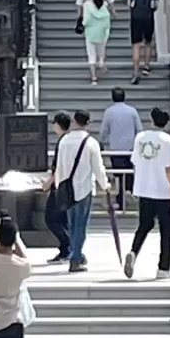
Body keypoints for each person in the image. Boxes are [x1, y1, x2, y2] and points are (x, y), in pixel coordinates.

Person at [124, 107, 170, 279]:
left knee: (144, 225)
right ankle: (163, 268)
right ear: (166, 123)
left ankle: (134, 251)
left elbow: (135, 162)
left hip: (144, 190)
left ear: (151, 120)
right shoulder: (167, 140)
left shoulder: (140, 138)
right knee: (166, 231)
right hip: (163, 192)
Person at [53, 108, 110, 273]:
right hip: (84, 188)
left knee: (71, 224)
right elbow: (98, 168)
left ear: (73, 121)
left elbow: (59, 166)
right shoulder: (91, 143)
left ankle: (76, 253)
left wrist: (59, 185)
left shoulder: (64, 141)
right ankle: (76, 257)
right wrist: (104, 185)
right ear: (88, 123)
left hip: (66, 188)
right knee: (80, 225)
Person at [99, 88, 142, 207]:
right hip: (130, 148)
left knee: (118, 175)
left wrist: (101, 141)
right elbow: (139, 129)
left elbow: (104, 131)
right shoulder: (132, 111)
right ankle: (131, 193)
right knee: (129, 172)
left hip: (115, 148)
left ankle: (121, 198)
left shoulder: (109, 112)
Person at [42, 114, 73, 264]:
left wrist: (49, 183)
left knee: (51, 218)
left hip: (59, 185)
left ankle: (69, 244)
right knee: (62, 219)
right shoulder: (67, 140)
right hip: (66, 184)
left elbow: (59, 166)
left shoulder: (63, 142)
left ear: (58, 125)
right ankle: (65, 249)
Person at [128, 0, 160, 80]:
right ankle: (146, 66)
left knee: (136, 44)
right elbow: (156, 4)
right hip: (148, 17)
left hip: (136, 17)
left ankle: (136, 70)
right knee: (148, 42)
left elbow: (129, 2)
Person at [82, 0, 113, 84]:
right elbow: (107, 26)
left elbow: (85, 22)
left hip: (91, 34)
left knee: (91, 55)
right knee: (101, 52)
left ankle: (94, 78)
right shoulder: (106, 13)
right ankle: (101, 63)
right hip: (102, 35)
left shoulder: (88, 9)